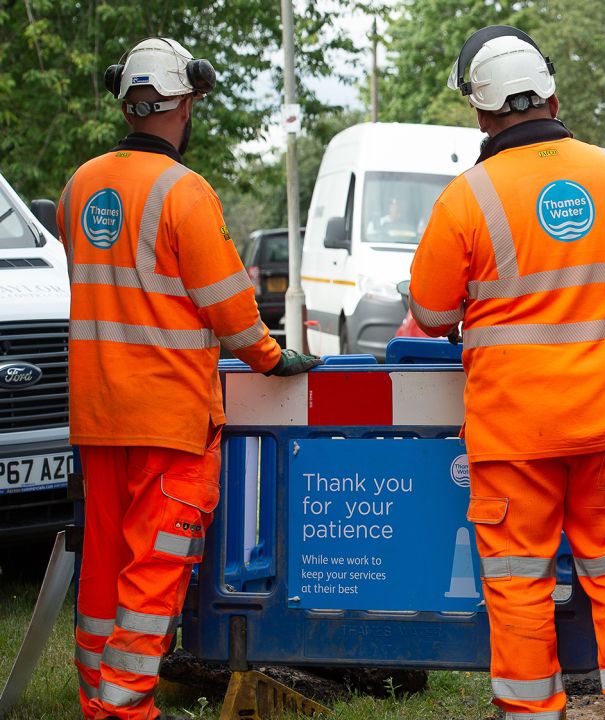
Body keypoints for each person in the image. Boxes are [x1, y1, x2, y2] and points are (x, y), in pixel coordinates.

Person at [409, 25, 605, 720]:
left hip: (514, 436)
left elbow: (431, 314)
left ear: (481, 111)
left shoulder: (466, 199)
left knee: (520, 585)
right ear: (552, 93)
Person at [57, 38, 321, 720]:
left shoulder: (80, 186)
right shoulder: (185, 191)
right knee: (155, 566)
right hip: (168, 414)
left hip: (96, 410)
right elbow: (232, 310)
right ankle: (124, 706)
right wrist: (271, 357)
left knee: (103, 565)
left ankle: (97, 695)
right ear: (186, 101)